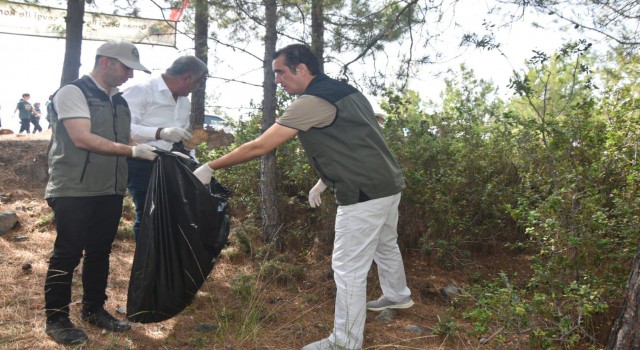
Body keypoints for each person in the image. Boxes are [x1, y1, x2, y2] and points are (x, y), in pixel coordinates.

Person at [192, 44, 413, 350]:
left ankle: (344, 342)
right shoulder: (346, 91)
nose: (277, 80)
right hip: (387, 185)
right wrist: (324, 180)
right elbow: (356, 140)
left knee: (348, 269)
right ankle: (397, 294)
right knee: (386, 244)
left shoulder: (310, 102)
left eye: (280, 72)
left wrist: (210, 166)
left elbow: (260, 146)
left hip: (362, 193)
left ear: (302, 69)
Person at [43, 40, 157, 345]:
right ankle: (56, 319)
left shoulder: (119, 101)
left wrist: (153, 144)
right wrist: (133, 152)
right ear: (105, 62)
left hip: (110, 189)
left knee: (99, 252)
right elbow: (82, 138)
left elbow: (126, 138)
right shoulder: (73, 93)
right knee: (67, 254)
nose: (130, 76)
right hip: (74, 188)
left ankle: (94, 309)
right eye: (126, 68)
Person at [122, 55, 208, 241]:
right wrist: (160, 132)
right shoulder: (141, 91)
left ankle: (163, 265)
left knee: (170, 216)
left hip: (172, 165)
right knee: (148, 214)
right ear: (187, 78)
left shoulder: (184, 103)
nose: (196, 89)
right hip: (142, 161)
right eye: (197, 83)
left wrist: (194, 163)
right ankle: (145, 266)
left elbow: (184, 138)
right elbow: (123, 129)